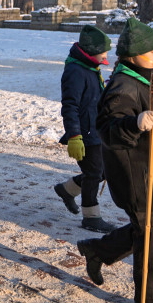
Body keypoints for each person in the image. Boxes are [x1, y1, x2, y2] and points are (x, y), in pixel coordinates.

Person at [76, 17, 153, 303]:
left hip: (152, 166)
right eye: (152, 50)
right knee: (152, 232)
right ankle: (151, 300)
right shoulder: (123, 85)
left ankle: (99, 251)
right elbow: (108, 128)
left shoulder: (146, 79)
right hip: (136, 173)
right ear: (134, 53)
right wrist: (133, 123)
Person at [53, 25, 117, 233]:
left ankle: (66, 190)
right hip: (83, 133)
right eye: (103, 53)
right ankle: (91, 217)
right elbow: (70, 105)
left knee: (102, 172)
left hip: (95, 130)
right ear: (91, 51)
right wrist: (74, 136)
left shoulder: (90, 68)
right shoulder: (75, 71)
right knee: (93, 173)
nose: (105, 57)